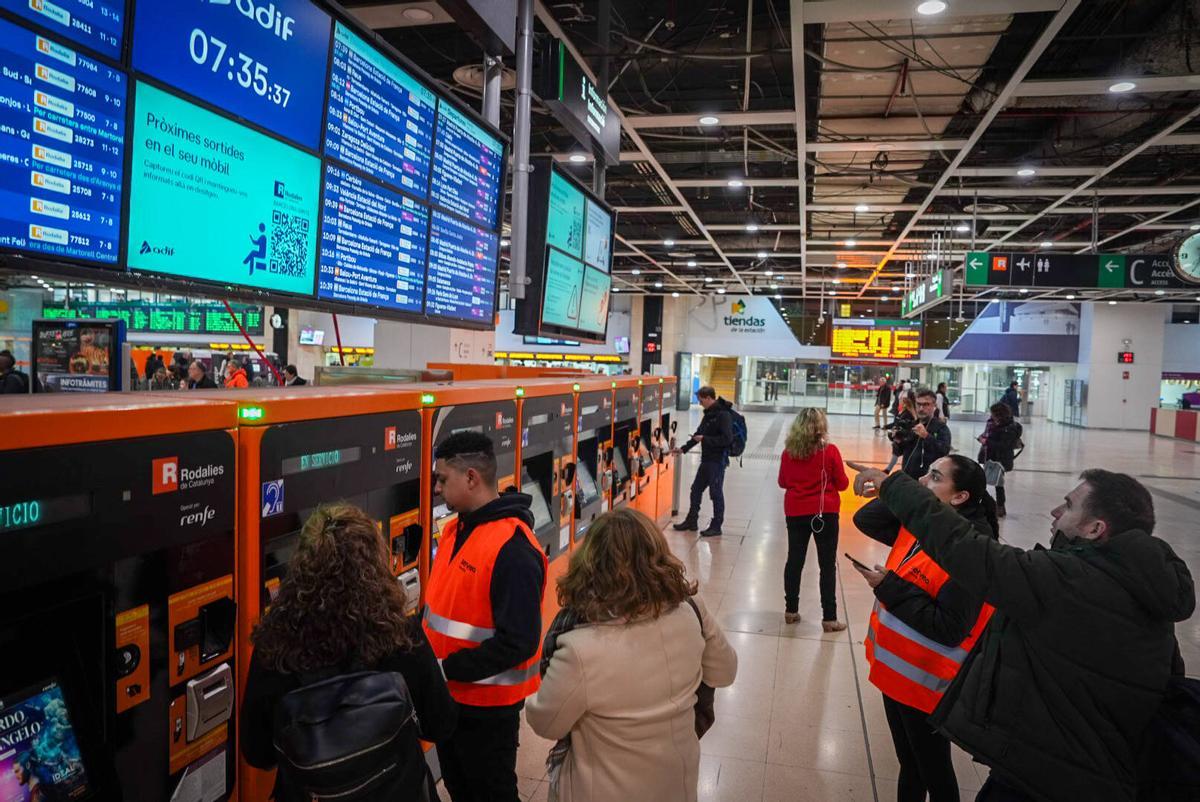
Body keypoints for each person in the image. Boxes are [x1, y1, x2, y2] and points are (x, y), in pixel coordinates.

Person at [847, 464, 1195, 802]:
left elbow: (964, 548)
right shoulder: (1153, 603)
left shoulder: (1063, 580)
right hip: (1106, 774)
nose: (1055, 512)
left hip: (1042, 773)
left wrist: (894, 485)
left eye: (1069, 506)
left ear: (1095, 529)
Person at [241, 504, 457, 801]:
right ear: (374, 562)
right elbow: (441, 723)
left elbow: (257, 752)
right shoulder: (399, 633)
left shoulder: (276, 644)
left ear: (301, 565)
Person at [526, 509, 737, 802]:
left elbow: (545, 722)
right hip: (676, 782)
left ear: (591, 566)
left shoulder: (579, 649)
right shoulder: (690, 611)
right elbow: (725, 671)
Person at [849, 455, 998, 802]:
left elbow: (950, 627)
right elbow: (866, 519)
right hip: (899, 674)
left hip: (928, 683)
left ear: (959, 497)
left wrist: (890, 588)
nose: (922, 481)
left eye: (934, 477)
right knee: (911, 764)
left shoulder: (971, 549)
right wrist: (898, 488)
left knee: (934, 770)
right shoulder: (927, 524)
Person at [424, 431, 547, 802]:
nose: (436, 489)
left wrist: (446, 668)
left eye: (442, 479)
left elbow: (519, 642)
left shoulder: (513, 549)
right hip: (449, 699)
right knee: (460, 788)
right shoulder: (454, 530)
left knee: (491, 793)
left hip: (487, 711)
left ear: (471, 478)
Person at [777, 408, 848, 630]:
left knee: (794, 560)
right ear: (822, 426)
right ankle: (829, 618)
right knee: (827, 565)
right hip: (825, 512)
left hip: (796, 511)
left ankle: (791, 610)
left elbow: (783, 482)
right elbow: (843, 484)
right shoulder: (830, 451)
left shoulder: (788, 452)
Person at [672, 386, 735, 537]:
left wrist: (705, 439)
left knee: (715, 493)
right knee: (696, 489)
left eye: (701, 400)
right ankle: (692, 520)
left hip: (717, 461)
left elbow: (727, 439)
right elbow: (698, 434)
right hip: (707, 460)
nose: (700, 404)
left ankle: (716, 526)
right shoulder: (708, 414)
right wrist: (683, 449)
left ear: (708, 398)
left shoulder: (723, 415)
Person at [977, 402, 1023, 518]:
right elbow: (989, 435)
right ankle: (996, 506)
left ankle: (1000, 507)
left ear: (999, 414)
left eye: (993, 413)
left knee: (997, 483)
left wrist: (986, 441)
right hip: (990, 457)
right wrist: (983, 438)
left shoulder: (1009, 428)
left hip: (1000, 459)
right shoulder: (992, 423)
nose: (991, 415)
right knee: (992, 482)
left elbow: (1003, 446)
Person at [883, 394, 917, 473]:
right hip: (899, 437)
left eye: (900, 402)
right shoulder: (900, 413)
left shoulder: (908, 414)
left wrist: (897, 430)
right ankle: (888, 469)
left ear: (905, 404)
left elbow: (907, 426)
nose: (899, 404)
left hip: (904, 438)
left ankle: (899, 470)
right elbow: (896, 423)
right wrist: (886, 426)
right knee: (896, 453)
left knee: (903, 454)